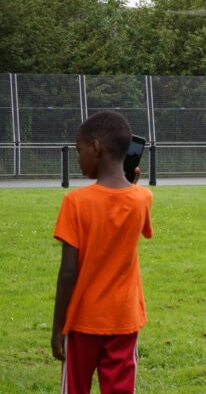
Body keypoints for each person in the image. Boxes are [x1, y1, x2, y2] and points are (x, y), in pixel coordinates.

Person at [51, 110, 153, 394]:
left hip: (83, 319)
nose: (78, 158)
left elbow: (69, 271)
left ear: (95, 148)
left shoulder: (75, 202)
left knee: (75, 388)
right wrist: (130, 187)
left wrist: (58, 327)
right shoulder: (142, 198)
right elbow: (130, 207)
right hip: (124, 318)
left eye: (79, 150)